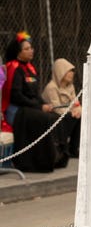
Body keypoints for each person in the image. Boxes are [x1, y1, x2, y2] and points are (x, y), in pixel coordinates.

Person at [2, 33, 69, 172]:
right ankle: (39, 161)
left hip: (30, 107)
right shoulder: (13, 68)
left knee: (55, 117)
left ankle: (57, 156)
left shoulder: (30, 68)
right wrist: (39, 107)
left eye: (31, 48)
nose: (31, 50)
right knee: (43, 119)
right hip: (17, 110)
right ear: (18, 52)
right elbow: (16, 96)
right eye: (26, 49)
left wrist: (45, 105)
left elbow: (35, 94)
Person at [41, 58, 82, 158]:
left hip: (67, 112)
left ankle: (74, 148)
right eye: (68, 71)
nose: (71, 74)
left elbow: (75, 102)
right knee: (70, 117)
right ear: (60, 72)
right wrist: (72, 112)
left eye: (72, 71)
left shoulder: (70, 86)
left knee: (80, 116)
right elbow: (56, 107)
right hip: (53, 115)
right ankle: (63, 147)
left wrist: (79, 109)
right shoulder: (51, 87)